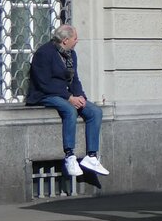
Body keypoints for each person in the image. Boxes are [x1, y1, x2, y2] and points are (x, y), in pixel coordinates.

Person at [26, 25, 109, 178]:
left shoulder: (71, 55)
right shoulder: (44, 53)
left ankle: (91, 156)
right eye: (75, 38)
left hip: (64, 93)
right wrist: (69, 97)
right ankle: (69, 156)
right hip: (45, 94)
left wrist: (81, 97)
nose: (76, 41)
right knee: (70, 110)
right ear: (65, 40)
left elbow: (74, 79)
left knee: (95, 112)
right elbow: (44, 83)